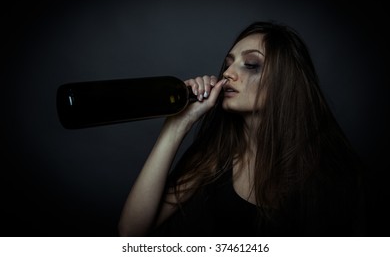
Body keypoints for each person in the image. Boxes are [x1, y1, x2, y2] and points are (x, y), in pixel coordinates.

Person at [118, 21, 365, 237]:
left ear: (285, 82)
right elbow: (131, 232)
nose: (227, 73)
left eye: (251, 64)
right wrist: (177, 125)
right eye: (228, 64)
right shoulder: (216, 156)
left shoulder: (330, 170)